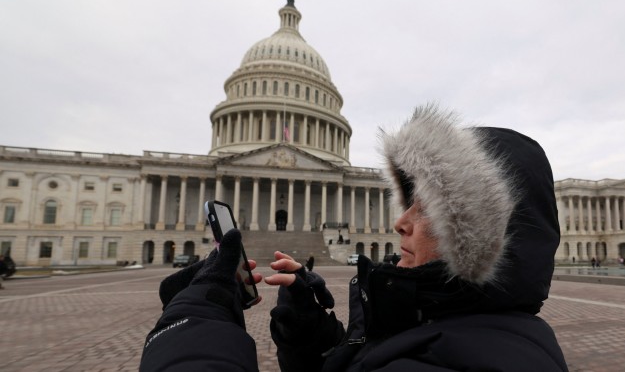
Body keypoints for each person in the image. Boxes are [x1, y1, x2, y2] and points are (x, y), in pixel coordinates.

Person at [140, 106, 568, 371]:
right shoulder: (450, 324)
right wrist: (308, 331)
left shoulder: (460, 348)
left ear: (479, 238)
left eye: (427, 209)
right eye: (408, 203)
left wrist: (194, 322)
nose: (400, 222)